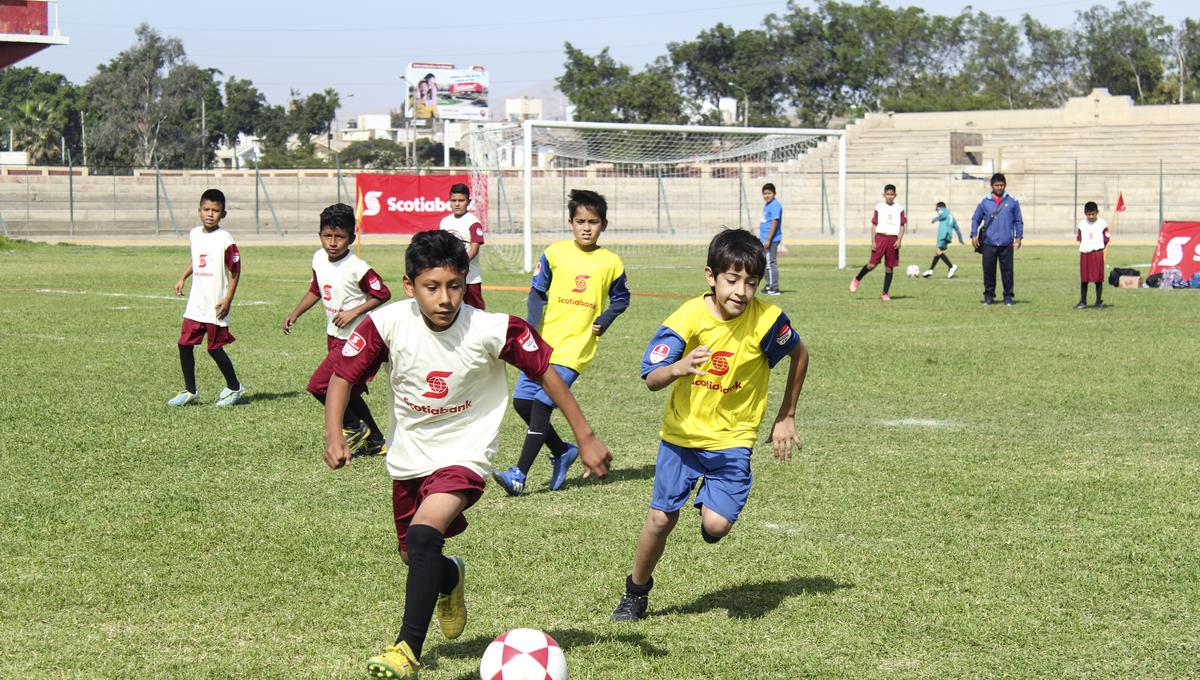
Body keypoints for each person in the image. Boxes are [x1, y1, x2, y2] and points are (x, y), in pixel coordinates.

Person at [322, 229, 612, 679]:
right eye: (431, 287)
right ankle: (449, 578)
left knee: (422, 537)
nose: (445, 298)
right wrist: (334, 432)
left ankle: (405, 649)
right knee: (415, 555)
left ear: (465, 282)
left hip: (465, 454)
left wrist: (586, 434)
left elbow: (545, 372)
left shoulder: (492, 328)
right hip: (410, 456)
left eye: (454, 286)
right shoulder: (386, 323)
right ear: (409, 285)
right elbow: (342, 376)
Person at [610, 228, 809, 622]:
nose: (741, 291)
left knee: (716, 527)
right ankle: (636, 592)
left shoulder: (768, 321)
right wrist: (678, 367)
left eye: (751, 283)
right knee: (660, 519)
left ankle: (710, 505)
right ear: (711, 276)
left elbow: (800, 354)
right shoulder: (688, 317)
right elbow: (651, 378)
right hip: (682, 437)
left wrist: (786, 415)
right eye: (732, 280)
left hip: (734, 440)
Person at [492, 189, 630, 495]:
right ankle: (562, 451)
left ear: (603, 225)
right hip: (545, 342)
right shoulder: (554, 253)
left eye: (593, 222)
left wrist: (604, 320)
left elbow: (622, 299)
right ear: (570, 222)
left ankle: (519, 474)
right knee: (523, 403)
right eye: (580, 221)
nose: (586, 227)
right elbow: (536, 292)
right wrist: (530, 327)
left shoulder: (611, 262)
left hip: (575, 348)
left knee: (542, 405)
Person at [284, 203, 391, 455]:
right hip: (334, 337)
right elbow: (316, 289)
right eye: (327, 236)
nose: (333, 242)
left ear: (351, 238)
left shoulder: (357, 267)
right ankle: (375, 441)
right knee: (349, 393)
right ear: (320, 235)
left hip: (356, 340)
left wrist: (354, 312)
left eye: (340, 237)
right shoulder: (318, 258)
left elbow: (382, 293)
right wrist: (295, 313)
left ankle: (353, 426)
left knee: (320, 386)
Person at [168, 189, 244, 407]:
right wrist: (183, 277)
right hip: (196, 302)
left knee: (214, 348)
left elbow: (236, 270)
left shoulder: (225, 239)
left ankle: (234, 387)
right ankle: (191, 391)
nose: (210, 214)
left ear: (223, 214)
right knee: (184, 344)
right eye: (206, 209)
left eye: (216, 210)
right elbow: (197, 259)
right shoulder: (194, 234)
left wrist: (228, 299)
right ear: (199, 211)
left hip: (216, 303)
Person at [970, 173, 1024, 306]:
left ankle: (1008, 296)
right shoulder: (984, 201)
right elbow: (976, 219)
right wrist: (973, 234)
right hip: (989, 242)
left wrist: (1019, 237)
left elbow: (1018, 220)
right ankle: (989, 295)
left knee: (1007, 271)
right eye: (997, 185)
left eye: (1002, 185)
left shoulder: (1013, 201)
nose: (999, 188)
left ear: (1005, 185)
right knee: (988, 270)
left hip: (1006, 243)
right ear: (992, 186)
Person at [849, 184, 905, 301]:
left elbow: (902, 225)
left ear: (895, 195)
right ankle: (857, 279)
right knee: (872, 264)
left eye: (892, 194)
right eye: (888, 194)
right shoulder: (879, 207)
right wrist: (873, 241)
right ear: (884, 195)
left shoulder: (899, 208)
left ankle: (885, 293)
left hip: (893, 239)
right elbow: (874, 225)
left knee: (889, 267)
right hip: (880, 238)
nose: (890, 196)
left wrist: (899, 239)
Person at [438, 183, 486, 309]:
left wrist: (460, 263)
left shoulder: (473, 222)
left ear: (468, 201)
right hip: (450, 276)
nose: (457, 204)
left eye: (461, 200)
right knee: (452, 308)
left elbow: (474, 248)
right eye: (454, 200)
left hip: (470, 278)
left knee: (475, 311)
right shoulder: (445, 222)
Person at [1075, 201, 1110, 310]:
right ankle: (1083, 301)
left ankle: (1098, 302)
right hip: (1085, 254)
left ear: (1097, 213)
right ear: (1085, 213)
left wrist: (1099, 247)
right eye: (1089, 214)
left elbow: (1106, 238)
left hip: (1097, 254)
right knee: (1084, 279)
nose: (1091, 216)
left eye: (1093, 214)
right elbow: (1079, 238)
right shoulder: (1082, 224)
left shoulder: (1102, 223)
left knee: (1098, 279)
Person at [922, 201, 964, 278]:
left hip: (943, 235)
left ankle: (951, 266)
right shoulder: (952, 217)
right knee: (938, 252)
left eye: (937, 209)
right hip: (948, 236)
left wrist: (935, 219)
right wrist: (960, 240)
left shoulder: (943, 210)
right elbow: (957, 229)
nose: (937, 211)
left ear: (939, 208)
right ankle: (931, 269)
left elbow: (943, 215)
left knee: (938, 251)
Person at [759, 182, 783, 295]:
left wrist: (768, 239)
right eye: (764, 193)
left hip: (771, 240)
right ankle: (769, 285)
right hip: (764, 239)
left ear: (774, 193)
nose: (767, 195)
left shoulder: (775, 205)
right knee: (764, 262)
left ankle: (774, 287)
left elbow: (774, 222)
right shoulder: (768, 205)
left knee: (770, 263)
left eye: (769, 193)